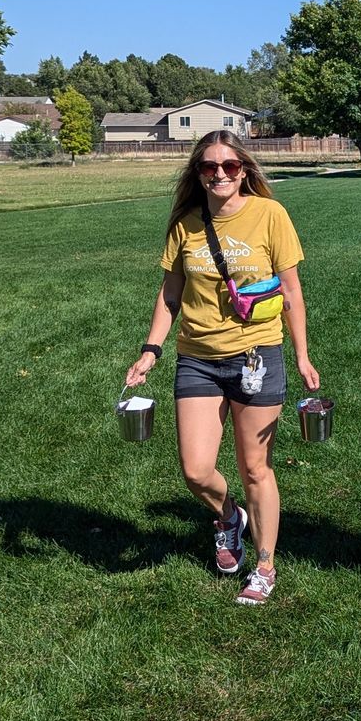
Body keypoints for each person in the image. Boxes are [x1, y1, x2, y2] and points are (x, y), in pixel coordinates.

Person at [125, 130, 319, 605]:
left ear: (245, 170)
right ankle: (230, 517)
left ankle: (265, 565)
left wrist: (301, 354)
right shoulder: (185, 224)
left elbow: (291, 292)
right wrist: (151, 349)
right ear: (198, 173)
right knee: (195, 470)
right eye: (209, 167)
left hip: (257, 353)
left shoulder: (270, 215)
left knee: (256, 468)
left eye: (229, 166)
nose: (219, 174)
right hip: (198, 357)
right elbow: (171, 294)